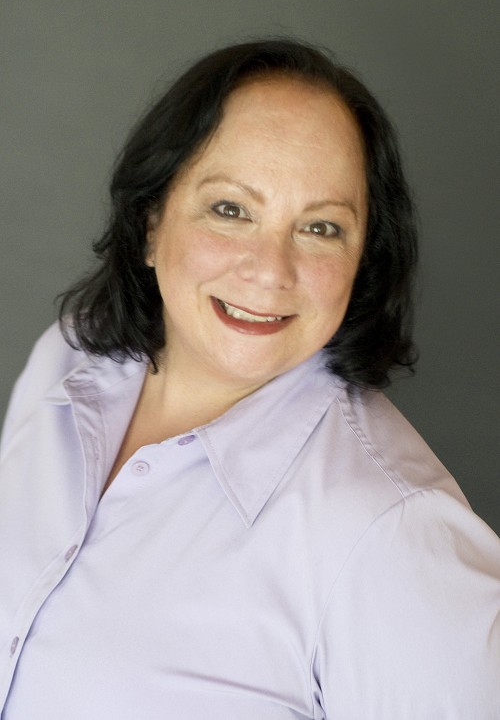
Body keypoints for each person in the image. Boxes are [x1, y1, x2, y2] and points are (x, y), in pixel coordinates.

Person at [0, 39, 498, 719]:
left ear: (364, 260)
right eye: (231, 210)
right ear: (151, 222)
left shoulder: (397, 536)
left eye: (321, 227)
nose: (270, 271)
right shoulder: (66, 359)